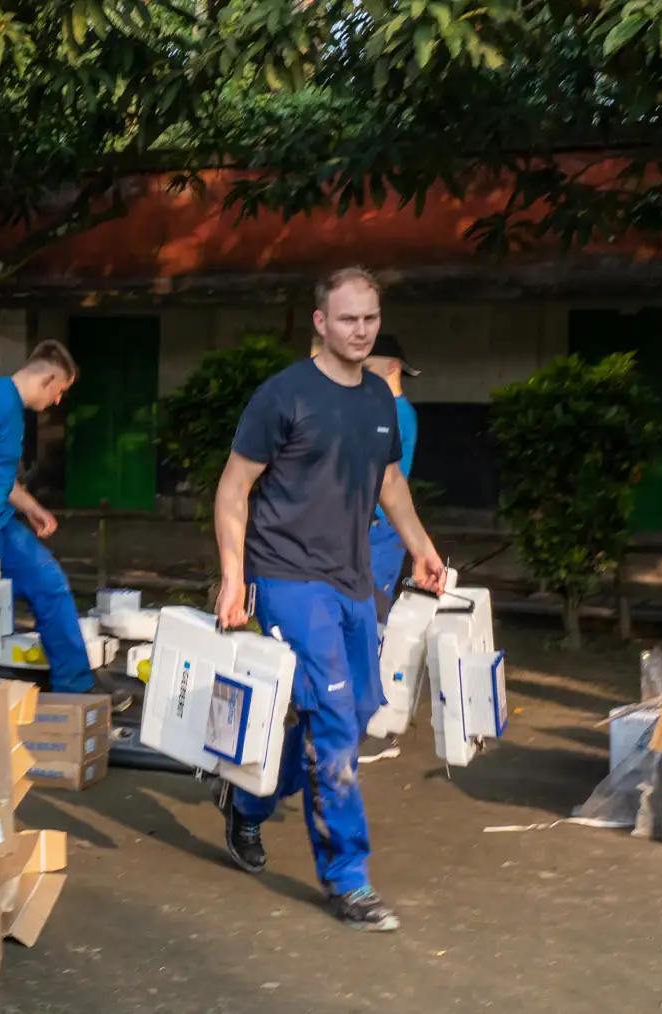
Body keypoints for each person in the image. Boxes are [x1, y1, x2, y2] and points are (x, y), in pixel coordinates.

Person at [211, 267, 446, 932]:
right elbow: (233, 490)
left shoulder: (379, 399)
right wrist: (235, 575)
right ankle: (349, 880)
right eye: (347, 319)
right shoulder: (282, 396)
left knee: (359, 709)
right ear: (320, 322)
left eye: (369, 318)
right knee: (337, 721)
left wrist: (422, 546)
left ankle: (249, 802)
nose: (361, 330)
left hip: (352, 579)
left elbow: (390, 482)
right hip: (288, 577)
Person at [0, 341, 127, 709]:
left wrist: (31, 506)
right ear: (49, 378)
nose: (57, 401)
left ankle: (74, 687)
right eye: (60, 391)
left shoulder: (13, 408)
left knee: (49, 582)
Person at [365, 332, 421, 620]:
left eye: (365, 368)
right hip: (369, 525)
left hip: (381, 526)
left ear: (391, 367)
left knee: (371, 609)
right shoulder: (380, 410)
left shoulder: (395, 413)